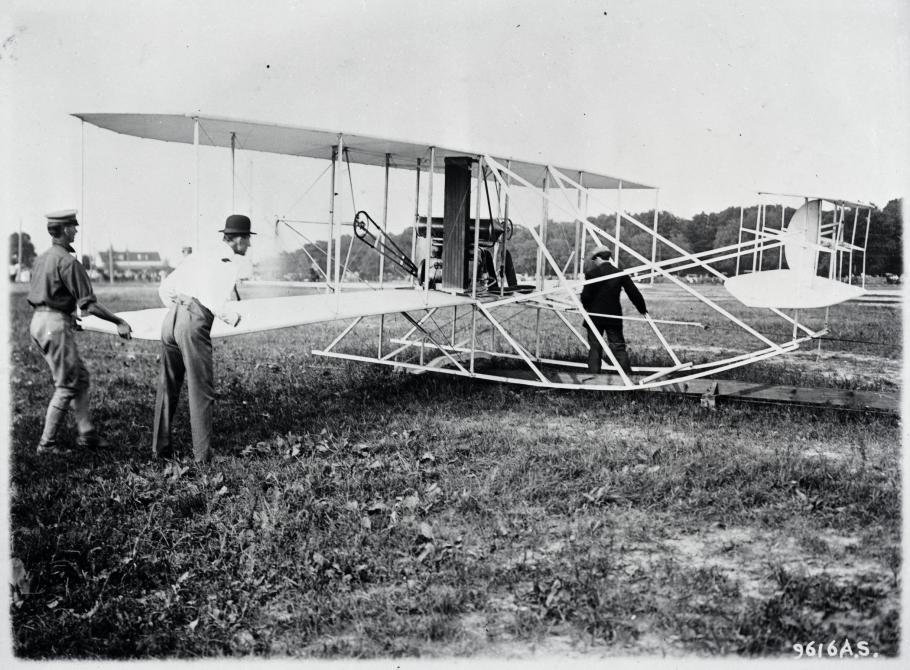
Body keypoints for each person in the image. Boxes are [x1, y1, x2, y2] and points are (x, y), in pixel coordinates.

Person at [27, 209, 133, 455]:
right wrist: (119, 321)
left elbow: (46, 295)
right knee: (67, 385)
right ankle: (47, 444)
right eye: (73, 227)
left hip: (39, 322)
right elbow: (89, 304)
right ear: (64, 230)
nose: (76, 230)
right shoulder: (68, 261)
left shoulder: (42, 258)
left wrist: (66, 314)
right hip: (54, 326)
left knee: (80, 377)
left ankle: (86, 433)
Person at [151, 214, 254, 463]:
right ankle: (203, 458)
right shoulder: (227, 261)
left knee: (168, 386)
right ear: (238, 239)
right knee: (201, 390)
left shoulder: (200, 254)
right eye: (247, 239)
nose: (249, 245)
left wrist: (178, 307)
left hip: (171, 319)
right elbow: (211, 298)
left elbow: (164, 288)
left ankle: (159, 450)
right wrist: (233, 317)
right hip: (193, 321)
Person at [580, 245, 647, 376]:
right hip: (613, 317)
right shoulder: (619, 273)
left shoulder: (592, 274)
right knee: (618, 347)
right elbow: (634, 293)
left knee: (595, 348)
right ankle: (628, 377)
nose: (594, 262)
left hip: (594, 317)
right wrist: (642, 308)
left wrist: (587, 306)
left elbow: (585, 296)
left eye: (594, 260)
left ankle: (593, 380)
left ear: (598, 258)